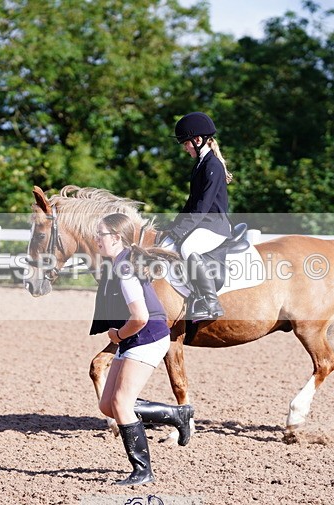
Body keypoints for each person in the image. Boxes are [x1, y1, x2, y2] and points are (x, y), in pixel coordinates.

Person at [90, 212, 194, 486]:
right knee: (107, 405)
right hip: (134, 337)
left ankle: (142, 471)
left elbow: (140, 317)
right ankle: (177, 414)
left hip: (146, 336)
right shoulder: (120, 263)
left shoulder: (125, 268)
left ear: (116, 238)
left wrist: (117, 335)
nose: (96, 239)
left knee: (122, 404)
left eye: (100, 234)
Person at [162, 111, 233, 321]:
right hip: (203, 224)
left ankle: (211, 302)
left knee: (187, 248)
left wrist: (180, 232)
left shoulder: (212, 165)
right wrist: (173, 227)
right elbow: (191, 203)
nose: (185, 148)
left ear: (198, 140)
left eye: (186, 143)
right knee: (166, 246)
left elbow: (202, 206)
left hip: (215, 226)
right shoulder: (200, 164)